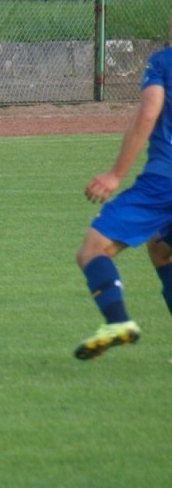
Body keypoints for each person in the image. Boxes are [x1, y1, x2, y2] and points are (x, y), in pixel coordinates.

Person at [73, 44, 172, 360]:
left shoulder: (163, 62)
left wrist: (115, 175)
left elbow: (148, 112)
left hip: (164, 183)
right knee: (162, 250)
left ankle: (117, 321)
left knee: (94, 249)